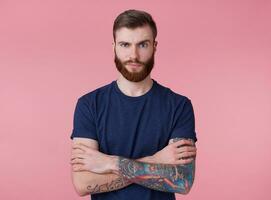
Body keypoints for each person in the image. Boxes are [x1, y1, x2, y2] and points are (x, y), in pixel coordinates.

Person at [70, 9, 198, 200]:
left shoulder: (179, 106)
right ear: (114, 47)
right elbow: (82, 184)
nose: (134, 55)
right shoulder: (89, 105)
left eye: (143, 45)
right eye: (125, 44)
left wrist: (109, 163)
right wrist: (156, 161)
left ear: (154, 46)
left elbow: (183, 182)